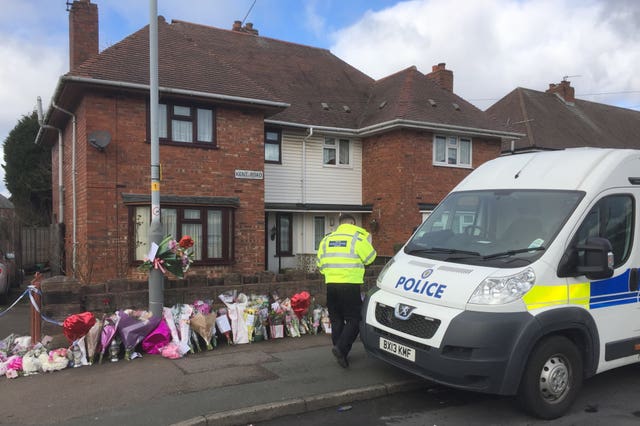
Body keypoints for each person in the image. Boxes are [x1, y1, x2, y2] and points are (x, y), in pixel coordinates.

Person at [316, 214, 377, 368]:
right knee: (354, 319)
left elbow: (320, 265)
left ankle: (341, 353)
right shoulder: (357, 238)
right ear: (352, 223)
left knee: (336, 319)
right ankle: (341, 348)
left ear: (340, 224)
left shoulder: (326, 239)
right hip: (350, 285)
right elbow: (371, 258)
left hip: (331, 285)